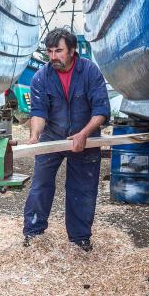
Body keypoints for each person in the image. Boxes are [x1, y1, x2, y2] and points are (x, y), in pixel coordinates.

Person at [23, 28, 110, 251]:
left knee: (82, 188)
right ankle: (33, 233)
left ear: (72, 50)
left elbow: (101, 109)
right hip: (52, 136)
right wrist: (34, 136)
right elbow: (39, 112)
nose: (53, 57)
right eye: (50, 51)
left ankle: (80, 239)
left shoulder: (90, 72)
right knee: (40, 184)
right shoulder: (41, 77)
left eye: (59, 51)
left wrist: (84, 134)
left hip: (85, 137)